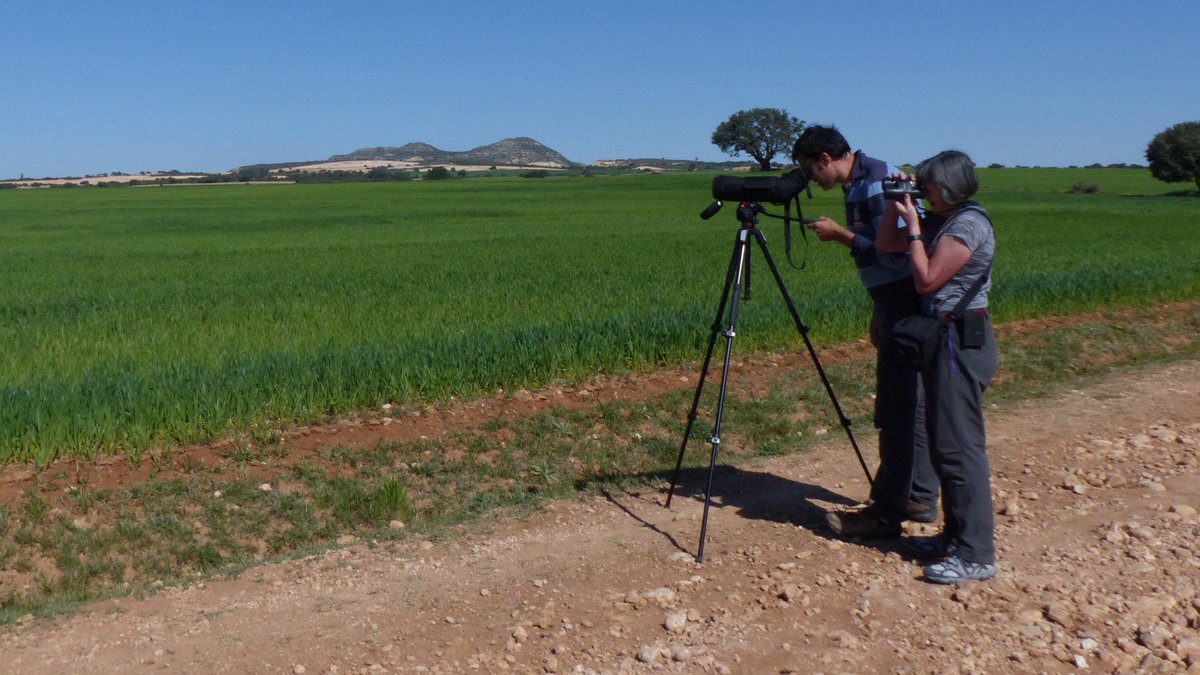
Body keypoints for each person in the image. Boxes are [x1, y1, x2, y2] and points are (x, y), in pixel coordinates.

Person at [790, 126, 939, 536]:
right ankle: (919, 497)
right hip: (894, 301)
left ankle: (887, 510)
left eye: (809, 169)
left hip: (905, 302)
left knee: (898, 407)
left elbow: (895, 255)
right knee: (911, 402)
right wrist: (879, 307)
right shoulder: (860, 182)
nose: (810, 179)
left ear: (824, 158)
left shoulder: (874, 183)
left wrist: (841, 236)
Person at [875, 149, 998, 583]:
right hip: (944, 339)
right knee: (944, 442)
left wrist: (914, 229)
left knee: (959, 448)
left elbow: (926, 279)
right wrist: (897, 206)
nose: (921, 194)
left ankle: (976, 553)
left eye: (926, 188)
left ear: (946, 188)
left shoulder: (967, 225)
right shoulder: (944, 219)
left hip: (960, 342)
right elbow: (886, 245)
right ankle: (954, 537)